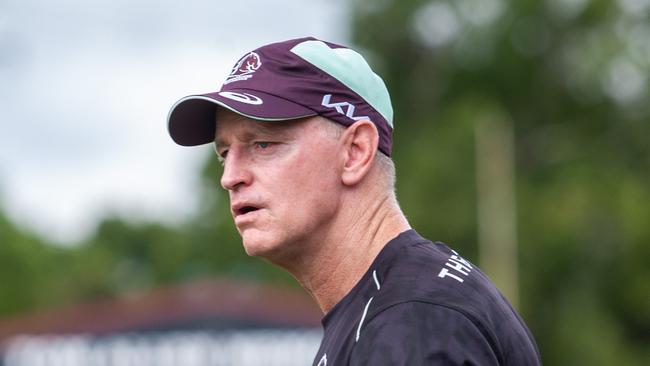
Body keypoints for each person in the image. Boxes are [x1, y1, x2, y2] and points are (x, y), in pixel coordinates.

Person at [166, 37, 542, 365]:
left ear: (356, 152)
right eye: (224, 153)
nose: (230, 177)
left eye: (262, 144)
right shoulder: (390, 306)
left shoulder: (410, 323)